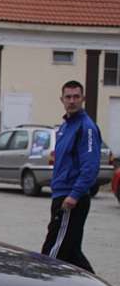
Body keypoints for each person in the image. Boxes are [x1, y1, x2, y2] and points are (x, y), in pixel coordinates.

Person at [40, 80, 100, 273]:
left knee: (51, 254)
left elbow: (90, 167)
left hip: (71, 200)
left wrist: (74, 195)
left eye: (76, 97)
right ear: (61, 99)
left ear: (83, 98)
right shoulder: (65, 127)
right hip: (60, 196)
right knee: (71, 253)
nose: (72, 101)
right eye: (68, 97)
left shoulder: (86, 127)